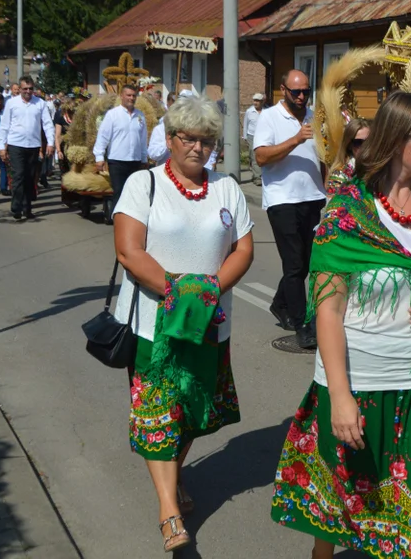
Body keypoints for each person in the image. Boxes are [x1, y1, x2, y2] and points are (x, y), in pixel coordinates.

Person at [271, 92, 411, 559]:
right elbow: (328, 312)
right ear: (399, 141)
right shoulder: (347, 213)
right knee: (341, 510)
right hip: (362, 381)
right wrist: (339, 397)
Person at [113, 96, 254, 553]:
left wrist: (208, 292)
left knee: (192, 411)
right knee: (158, 414)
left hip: (210, 325)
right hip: (155, 325)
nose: (198, 147)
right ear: (170, 138)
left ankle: (172, 479)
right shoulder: (143, 183)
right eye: (188, 138)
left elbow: (244, 250)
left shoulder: (227, 188)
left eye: (207, 140)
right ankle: (168, 508)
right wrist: (179, 293)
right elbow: (129, 251)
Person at [253, 70, 326, 350]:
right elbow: (261, 156)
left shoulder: (313, 116)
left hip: (312, 196)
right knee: (294, 265)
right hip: (282, 199)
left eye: (305, 91)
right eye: (295, 92)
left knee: (305, 263)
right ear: (283, 89)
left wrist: (329, 184)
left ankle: (280, 303)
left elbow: (323, 156)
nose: (301, 97)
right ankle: (301, 324)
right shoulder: (269, 117)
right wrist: (296, 139)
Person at [0, 78, 55, 221]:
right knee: (18, 176)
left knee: (30, 178)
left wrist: (50, 143)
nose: (28, 91)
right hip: (16, 144)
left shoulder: (40, 103)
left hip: (33, 145)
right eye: (25, 89)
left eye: (30, 88)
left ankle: (27, 207)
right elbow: (4, 126)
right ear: (20, 89)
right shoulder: (11, 103)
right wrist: (1, 147)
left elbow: (47, 124)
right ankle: (16, 207)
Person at [94, 83, 149, 213]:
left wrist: (144, 158)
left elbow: (142, 139)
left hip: (135, 161)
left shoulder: (140, 116)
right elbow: (103, 137)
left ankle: (132, 219)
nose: (131, 98)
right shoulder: (113, 115)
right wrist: (99, 157)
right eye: (128, 95)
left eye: (134, 95)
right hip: (117, 161)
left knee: (135, 192)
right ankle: (117, 219)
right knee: (119, 191)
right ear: (122, 96)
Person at [324, 117, 370, 196]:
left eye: (369, 141)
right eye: (358, 142)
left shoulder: (378, 168)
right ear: (349, 145)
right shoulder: (339, 175)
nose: (365, 146)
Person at [242, 92, 265, 185]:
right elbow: (245, 124)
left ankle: (260, 175)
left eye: (258, 101)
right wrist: (245, 137)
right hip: (252, 136)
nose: (255, 103)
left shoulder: (266, 111)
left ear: (262, 102)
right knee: (254, 157)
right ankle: (257, 178)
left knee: (263, 157)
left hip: (263, 137)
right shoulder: (249, 111)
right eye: (254, 100)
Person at [53, 99, 75, 172]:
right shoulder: (60, 117)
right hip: (64, 146)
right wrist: (59, 151)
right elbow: (57, 136)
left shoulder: (77, 117)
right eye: (70, 110)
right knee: (64, 171)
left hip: (75, 147)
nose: (72, 112)